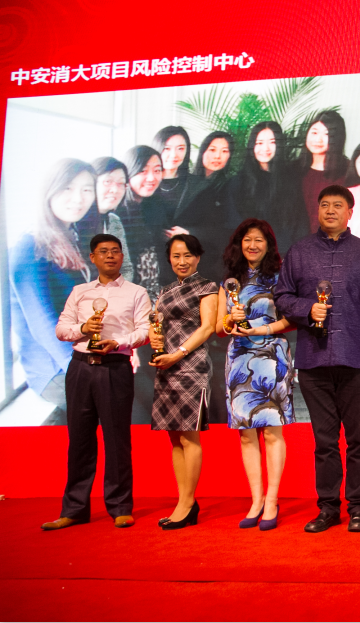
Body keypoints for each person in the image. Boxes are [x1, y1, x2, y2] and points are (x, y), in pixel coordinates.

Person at [275, 185, 360, 534]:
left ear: (350, 212)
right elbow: (282, 296)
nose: (330, 210)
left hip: (356, 357)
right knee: (324, 441)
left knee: (357, 439)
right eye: (325, 205)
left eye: (338, 205)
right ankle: (328, 508)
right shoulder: (299, 252)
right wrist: (307, 308)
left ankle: (359, 507)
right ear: (317, 210)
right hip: (314, 359)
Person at [40, 234, 151, 530]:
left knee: (117, 440)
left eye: (115, 251)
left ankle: (120, 507)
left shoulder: (137, 292)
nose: (110, 256)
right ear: (93, 257)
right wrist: (83, 328)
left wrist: (118, 342)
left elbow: (145, 331)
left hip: (115, 367)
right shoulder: (79, 291)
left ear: (122, 257)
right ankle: (75, 509)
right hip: (80, 368)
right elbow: (61, 329)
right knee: (79, 440)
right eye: (104, 251)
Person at [216, 219, 294, 531]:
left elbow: (290, 319)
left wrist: (261, 329)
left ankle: (272, 500)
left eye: (259, 240)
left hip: (271, 354)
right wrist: (229, 321)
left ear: (268, 244)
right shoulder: (230, 281)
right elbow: (219, 328)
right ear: (239, 244)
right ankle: (256, 500)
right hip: (239, 357)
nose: (252, 245)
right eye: (247, 239)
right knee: (246, 433)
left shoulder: (282, 276)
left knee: (273, 431)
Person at [9, 159, 97, 423]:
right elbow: (44, 325)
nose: (78, 198)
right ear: (50, 191)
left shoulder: (70, 235)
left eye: (87, 189)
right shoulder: (30, 247)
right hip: (53, 368)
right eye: (68, 188)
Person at [149, 234, 219, 530]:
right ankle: (183, 500)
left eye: (188, 255)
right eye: (176, 256)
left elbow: (207, 328)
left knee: (189, 437)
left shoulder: (207, 287)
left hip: (191, 368)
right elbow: (156, 323)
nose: (182, 261)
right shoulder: (165, 290)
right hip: (166, 367)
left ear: (198, 257)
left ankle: (188, 503)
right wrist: (155, 340)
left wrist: (177, 353)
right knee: (174, 437)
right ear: (169, 259)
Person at [227, 121, 307, 254]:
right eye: (259, 143)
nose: (265, 148)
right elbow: (234, 226)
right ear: (252, 146)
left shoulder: (291, 180)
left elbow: (300, 224)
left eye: (272, 142)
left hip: (284, 256)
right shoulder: (239, 183)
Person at [182, 131, 238, 283]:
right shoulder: (186, 182)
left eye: (224, 151)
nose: (217, 156)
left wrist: (190, 232)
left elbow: (227, 231)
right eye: (212, 149)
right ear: (203, 150)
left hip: (213, 263)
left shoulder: (228, 187)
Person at [123, 145, 164, 302]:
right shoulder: (118, 215)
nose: (151, 178)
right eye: (143, 171)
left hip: (157, 295)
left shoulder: (155, 207)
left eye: (157, 170)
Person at [152, 126, 207, 235]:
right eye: (167, 148)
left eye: (180, 148)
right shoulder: (146, 184)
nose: (174, 155)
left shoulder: (198, 185)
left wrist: (189, 233)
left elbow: (210, 225)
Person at [300, 111, 349, 231]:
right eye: (314, 132)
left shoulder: (347, 171)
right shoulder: (295, 169)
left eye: (327, 134)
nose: (318, 139)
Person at [90, 158, 134, 281]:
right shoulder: (74, 225)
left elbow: (126, 268)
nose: (115, 190)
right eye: (107, 182)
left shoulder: (114, 221)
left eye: (121, 183)